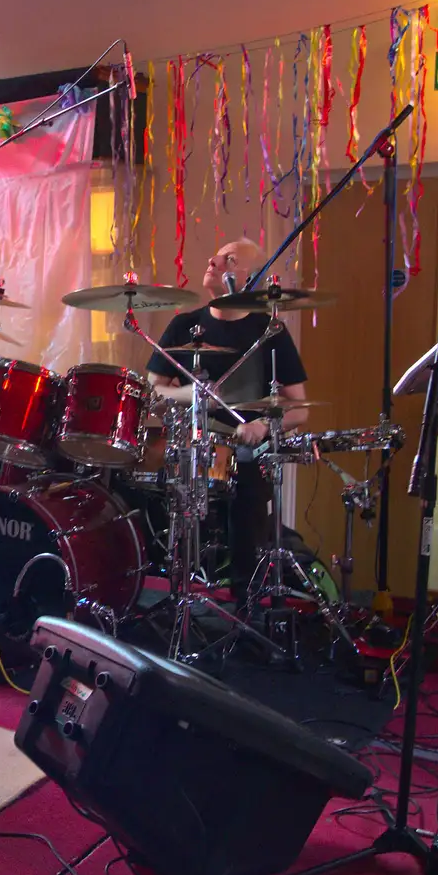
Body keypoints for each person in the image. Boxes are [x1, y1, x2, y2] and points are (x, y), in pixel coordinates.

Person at [146, 239, 310, 605]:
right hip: (191, 445)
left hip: (245, 451)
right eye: (216, 254)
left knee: (247, 505)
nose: (213, 260)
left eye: (229, 259)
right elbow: (154, 389)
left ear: (248, 279)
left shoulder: (269, 332)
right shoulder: (185, 325)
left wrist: (264, 427)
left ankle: (243, 599)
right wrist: (194, 394)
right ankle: (172, 596)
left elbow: (300, 408)